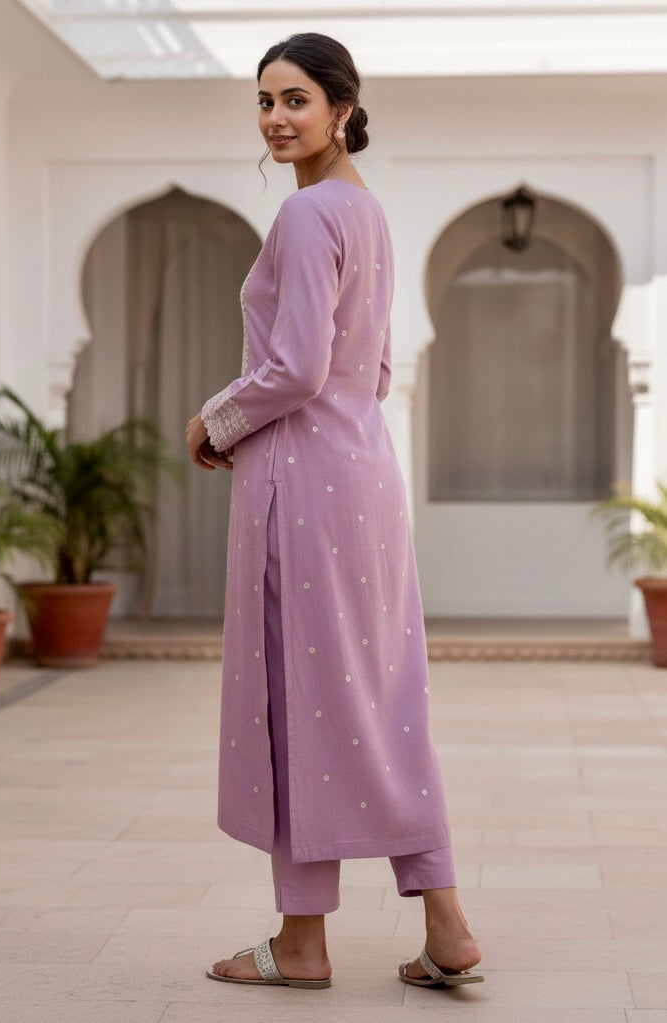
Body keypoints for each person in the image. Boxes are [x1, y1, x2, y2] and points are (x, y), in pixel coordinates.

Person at [185, 31, 483, 991]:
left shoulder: (310, 217)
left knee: (300, 700)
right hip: (366, 476)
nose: (276, 118)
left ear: (343, 108)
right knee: (381, 697)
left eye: (296, 100)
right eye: (264, 102)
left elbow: (298, 366)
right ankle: (444, 925)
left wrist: (217, 417)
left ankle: (303, 942)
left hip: (302, 488)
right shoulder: (369, 212)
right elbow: (375, 368)